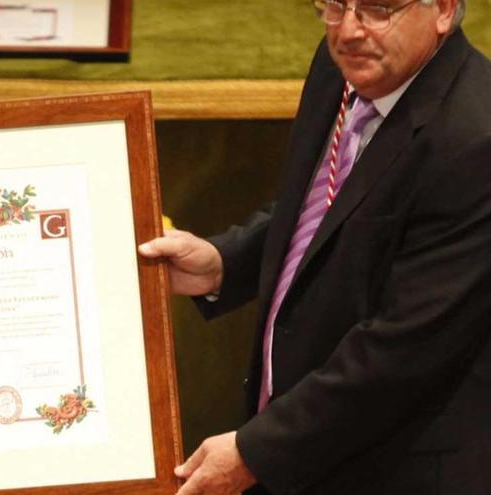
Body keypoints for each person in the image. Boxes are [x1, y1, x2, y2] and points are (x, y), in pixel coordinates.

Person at [139, 0, 491, 493]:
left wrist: (259, 450)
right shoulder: (340, 68)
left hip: (395, 469)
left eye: (376, 8)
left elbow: (402, 350)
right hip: (307, 453)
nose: (348, 29)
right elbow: (325, 206)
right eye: (334, 5)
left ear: (443, 10)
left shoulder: (476, 139)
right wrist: (225, 264)